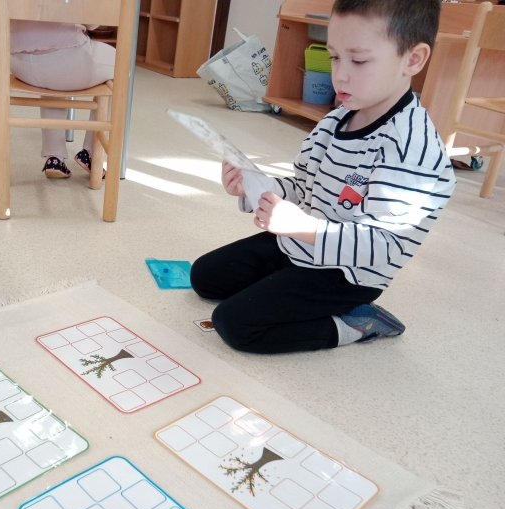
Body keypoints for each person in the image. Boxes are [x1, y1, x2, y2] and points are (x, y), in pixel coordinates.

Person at [190, 0, 456, 354]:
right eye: (334, 57)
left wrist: (305, 227)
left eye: (358, 61)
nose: (340, 75)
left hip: (347, 273)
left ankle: (356, 324)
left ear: (413, 59)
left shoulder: (410, 146)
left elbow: (385, 245)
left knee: (234, 324)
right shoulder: (335, 120)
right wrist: (256, 187)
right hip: (304, 242)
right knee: (204, 277)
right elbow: (304, 187)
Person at [10, 21, 114, 179]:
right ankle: (92, 155)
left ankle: (54, 158)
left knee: (53, 81)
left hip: (19, 63)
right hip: (65, 61)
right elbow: (92, 22)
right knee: (120, 63)